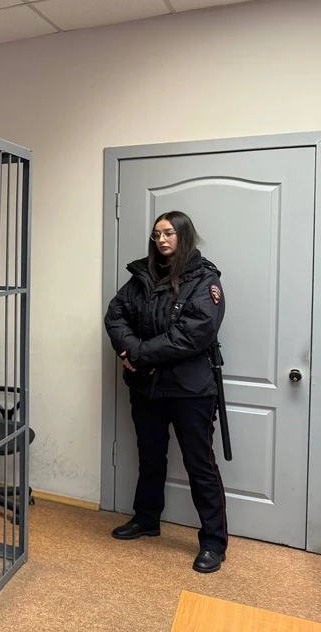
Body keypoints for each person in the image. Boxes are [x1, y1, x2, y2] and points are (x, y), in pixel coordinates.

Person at [104, 210, 228, 574]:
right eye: (157, 234)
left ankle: (214, 542)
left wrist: (139, 355)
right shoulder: (141, 275)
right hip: (147, 386)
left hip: (190, 390)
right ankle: (146, 519)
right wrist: (130, 351)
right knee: (150, 456)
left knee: (200, 464)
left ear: (184, 235)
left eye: (169, 233)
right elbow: (116, 316)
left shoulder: (205, 280)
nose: (161, 240)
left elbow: (192, 333)